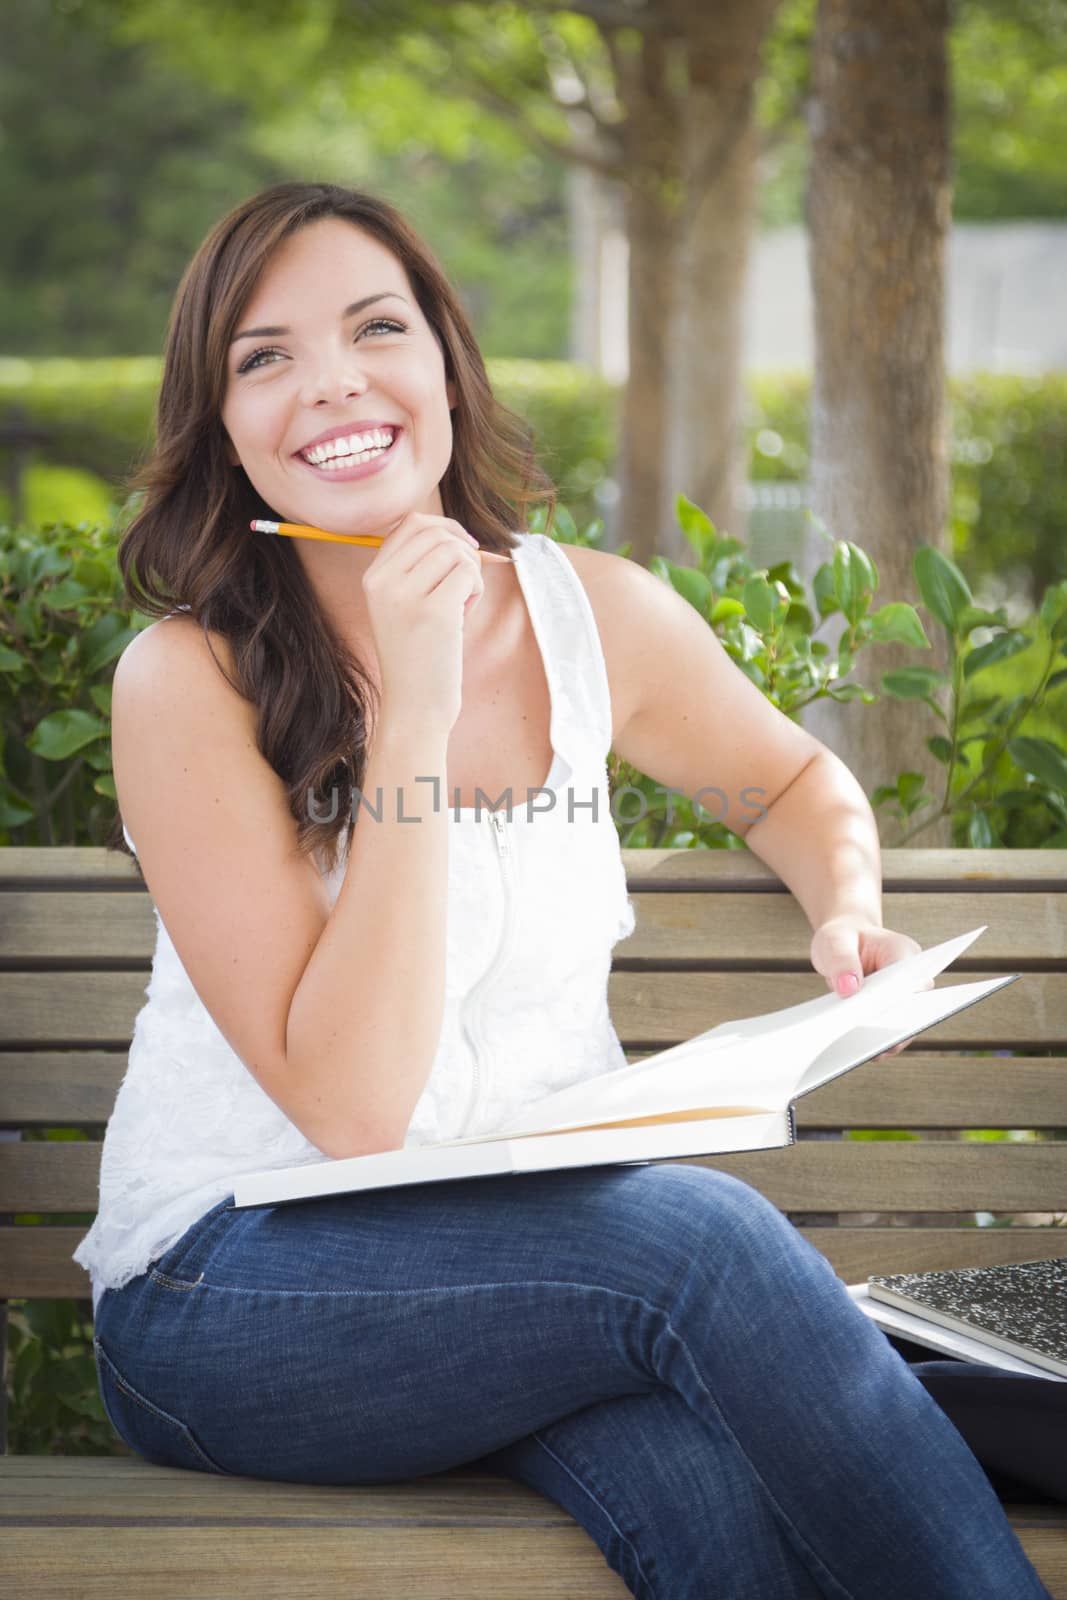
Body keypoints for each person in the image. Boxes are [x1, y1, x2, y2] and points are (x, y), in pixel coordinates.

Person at [72, 181, 1052, 1599]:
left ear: (447, 372)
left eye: (375, 329)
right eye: (264, 356)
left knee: (707, 1498)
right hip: (230, 1297)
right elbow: (351, 1111)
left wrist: (840, 900)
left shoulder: (591, 615)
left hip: (529, 1280)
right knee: (696, 1238)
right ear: (223, 428)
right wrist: (408, 705)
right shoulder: (188, 681)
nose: (332, 383)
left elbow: (792, 782)